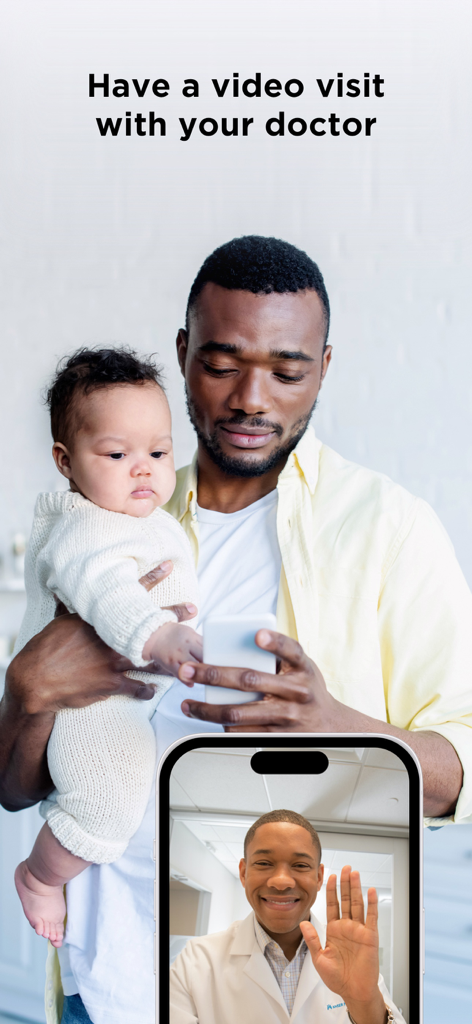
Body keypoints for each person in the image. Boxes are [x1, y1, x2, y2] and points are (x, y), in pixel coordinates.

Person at [1, 235, 472, 1024]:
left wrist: (342, 732)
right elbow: (15, 787)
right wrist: (27, 690)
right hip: (103, 984)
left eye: (287, 371)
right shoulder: (111, 527)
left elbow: (462, 767)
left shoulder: (391, 530)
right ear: (183, 355)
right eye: (222, 364)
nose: (253, 397)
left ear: (324, 366)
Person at [14, 348, 203, 948]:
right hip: (90, 705)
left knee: (132, 792)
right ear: (65, 463)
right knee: (104, 807)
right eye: (118, 455)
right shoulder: (88, 527)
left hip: (130, 700)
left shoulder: (147, 518)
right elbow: (104, 588)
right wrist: (159, 634)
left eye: (159, 451)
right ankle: (41, 878)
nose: (142, 470)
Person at [170, 809, 403, 1024]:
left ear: (319, 877)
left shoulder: (351, 958)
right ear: (243, 872)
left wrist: (363, 1003)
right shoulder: (195, 961)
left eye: (300, 865)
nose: (281, 881)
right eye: (263, 863)